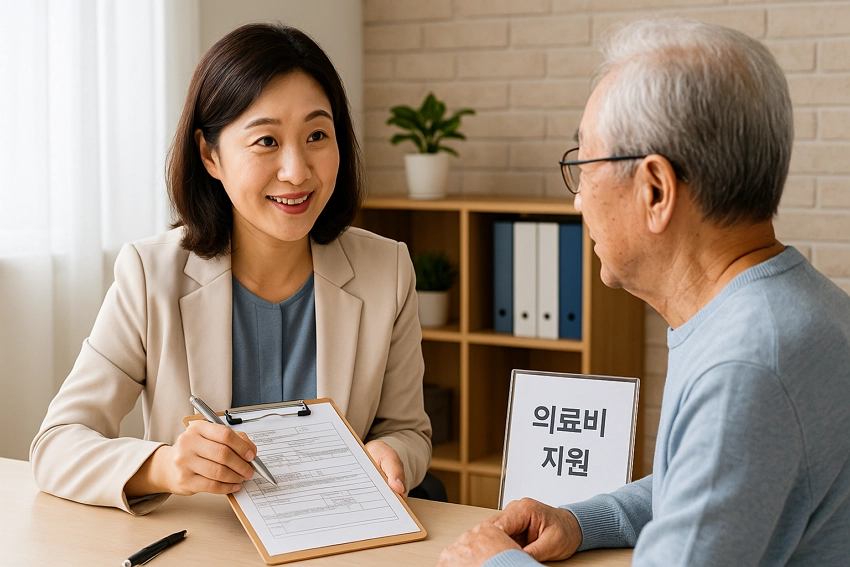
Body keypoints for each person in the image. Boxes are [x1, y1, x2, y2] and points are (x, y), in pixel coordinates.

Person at [438, 18, 850, 567]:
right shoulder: (780, 310)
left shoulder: (745, 367)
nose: (577, 201)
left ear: (655, 190)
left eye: (583, 166)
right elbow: (692, 486)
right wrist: (579, 521)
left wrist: (492, 562)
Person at [30, 22, 431, 515]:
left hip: (338, 540)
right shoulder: (150, 275)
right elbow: (56, 445)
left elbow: (407, 429)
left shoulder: (386, 270)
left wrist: (395, 454)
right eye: (266, 141)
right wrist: (165, 466)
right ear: (209, 154)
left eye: (317, 135)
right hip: (205, 544)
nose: (297, 171)